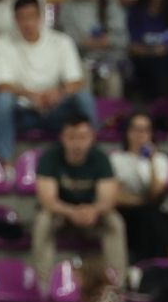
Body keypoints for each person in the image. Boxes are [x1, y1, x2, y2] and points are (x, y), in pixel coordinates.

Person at [0, 0, 95, 159]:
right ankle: (5, 161)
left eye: (31, 16)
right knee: (2, 100)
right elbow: (2, 85)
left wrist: (58, 93)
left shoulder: (61, 41)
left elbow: (75, 81)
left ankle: (92, 154)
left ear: (40, 17)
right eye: (22, 18)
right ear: (15, 20)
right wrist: (32, 96)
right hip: (23, 111)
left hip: (56, 108)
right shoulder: (2, 43)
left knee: (84, 97)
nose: (27, 23)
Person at [33, 113, 126, 289]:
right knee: (42, 220)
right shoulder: (49, 158)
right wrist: (72, 212)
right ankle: (43, 285)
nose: (77, 144)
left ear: (92, 138)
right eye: (72, 137)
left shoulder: (100, 159)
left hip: (92, 216)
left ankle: (118, 285)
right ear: (62, 138)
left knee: (115, 221)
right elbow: (47, 200)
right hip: (60, 215)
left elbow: (108, 199)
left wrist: (93, 210)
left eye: (82, 137)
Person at [108, 112, 168, 264]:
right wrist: (142, 200)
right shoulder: (116, 159)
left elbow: (156, 193)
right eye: (136, 129)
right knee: (149, 213)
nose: (140, 135)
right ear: (128, 133)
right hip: (126, 213)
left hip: (152, 212)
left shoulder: (160, 160)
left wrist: (152, 162)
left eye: (145, 130)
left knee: (156, 215)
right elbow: (115, 196)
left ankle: (152, 264)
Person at [57, 0, 127, 97]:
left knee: (113, 79)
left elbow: (123, 39)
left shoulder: (112, 5)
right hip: (79, 59)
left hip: (109, 60)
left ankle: (111, 117)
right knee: (82, 74)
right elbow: (65, 40)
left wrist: (107, 41)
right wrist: (85, 43)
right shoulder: (69, 6)